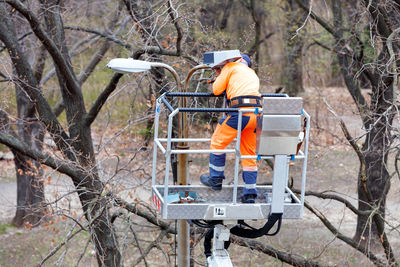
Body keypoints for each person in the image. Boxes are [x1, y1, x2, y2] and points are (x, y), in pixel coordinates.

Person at [200, 52, 261, 203]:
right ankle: (250, 192)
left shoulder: (230, 67)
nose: (216, 70)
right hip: (256, 115)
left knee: (217, 142)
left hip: (239, 113)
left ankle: (215, 179)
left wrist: (219, 78)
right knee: (249, 153)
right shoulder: (251, 72)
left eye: (216, 68)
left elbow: (216, 90)